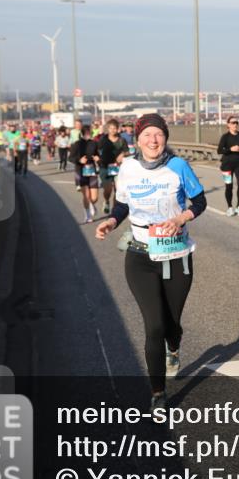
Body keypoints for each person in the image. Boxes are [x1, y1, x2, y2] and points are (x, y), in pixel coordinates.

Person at [95, 113, 206, 412]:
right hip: (140, 255)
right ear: (138, 139)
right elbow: (122, 203)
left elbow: (200, 202)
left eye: (158, 134)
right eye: (147, 135)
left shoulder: (178, 166)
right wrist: (111, 221)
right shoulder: (128, 168)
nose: (153, 140)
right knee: (154, 325)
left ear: (165, 138)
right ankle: (158, 393)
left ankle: (174, 346)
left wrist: (182, 216)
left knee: (172, 325)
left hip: (177, 255)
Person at [217, 117, 239, 216]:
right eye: (233, 123)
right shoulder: (225, 137)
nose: (235, 124)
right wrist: (230, 149)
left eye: (236, 122)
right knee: (229, 186)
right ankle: (230, 207)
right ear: (228, 125)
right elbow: (219, 151)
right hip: (227, 164)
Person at [97, 118, 129, 214]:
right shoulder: (103, 140)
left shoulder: (122, 140)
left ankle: (114, 211)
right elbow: (96, 150)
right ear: (108, 129)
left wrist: (123, 154)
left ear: (118, 129)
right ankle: (106, 201)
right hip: (105, 167)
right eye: (110, 128)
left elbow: (127, 151)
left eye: (114, 128)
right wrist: (96, 157)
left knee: (117, 190)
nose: (112, 130)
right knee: (108, 189)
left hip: (117, 167)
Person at [70, 125, 101, 222]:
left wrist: (98, 159)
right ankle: (87, 215)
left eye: (90, 133)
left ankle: (92, 204)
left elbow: (97, 155)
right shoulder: (77, 144)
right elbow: (70, 158)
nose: (89, 135)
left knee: (95, 197)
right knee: (86, 196)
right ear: (82, 133)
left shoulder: (94, 143)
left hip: (92, 171)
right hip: (81, 171)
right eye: (87, 133)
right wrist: (79, 160)